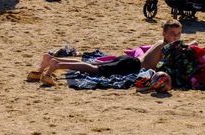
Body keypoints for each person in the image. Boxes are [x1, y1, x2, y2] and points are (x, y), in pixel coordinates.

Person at [29, 19, 182, 88]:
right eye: (172, 33)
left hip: (129, 61)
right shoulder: (166, 46)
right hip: (132, 66)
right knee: (95, 70)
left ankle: (49, 59)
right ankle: (57, 64)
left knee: (92, 65)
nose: (175, 37)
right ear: (164, 32)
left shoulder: (161, 42)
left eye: (178, 34)